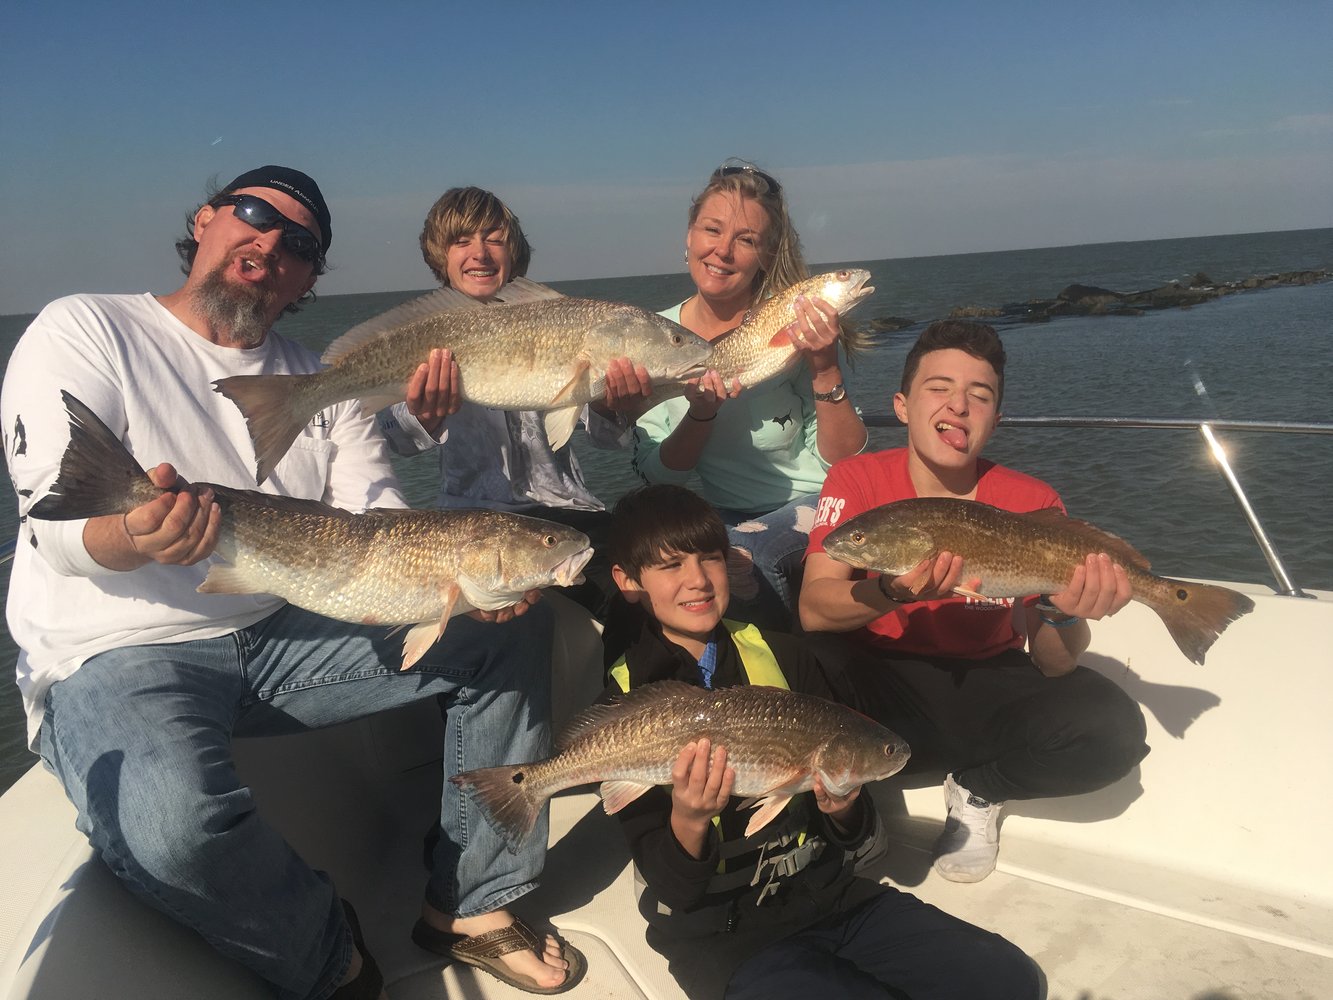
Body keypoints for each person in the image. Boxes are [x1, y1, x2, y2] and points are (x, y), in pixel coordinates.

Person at [1, 166, 584, 998]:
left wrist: (464, 580)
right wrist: (129, 536)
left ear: (310, 276)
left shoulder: (323, 381)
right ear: (204, 221)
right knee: (170, 827)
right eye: (252, 215)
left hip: (286, 628)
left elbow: (376, 517)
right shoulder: (87, 328)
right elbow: (52, 527)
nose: (271, 242)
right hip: (118, 648)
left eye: (301, 243)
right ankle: (328, 952)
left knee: (515, 629)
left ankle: (472, 902)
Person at [601, 484, 1041, 1000]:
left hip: (834, 899)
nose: (697, 579)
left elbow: (861, 840)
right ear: (628, 581)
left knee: (1012, 980)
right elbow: (673, 889)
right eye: (671, 565)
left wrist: (843, 810)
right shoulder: (624, 701)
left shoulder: (788, 655)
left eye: (711, 558)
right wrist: (690, 819)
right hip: (723, 935)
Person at [799, 320, 1150, 884]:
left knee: (1114, 730)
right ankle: (849, 804)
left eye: (979, 396)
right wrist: (889, 590)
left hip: (988, 681)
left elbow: (1054, 662)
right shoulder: (855, 477)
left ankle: (979, 787)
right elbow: (814, 608)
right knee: (800, 660)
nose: (958, 405)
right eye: (939, 388)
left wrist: (1065, 609)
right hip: (879, 685)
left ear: (996, 419)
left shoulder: (1033, 501)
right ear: (904, 404)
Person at [379, 186, 651, 617]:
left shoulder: (558, 319)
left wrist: (609, 405)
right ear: (441, 257)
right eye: (461, 241)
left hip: (567, 513)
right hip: (469, 524)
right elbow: (394, 436)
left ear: (514, 250)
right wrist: (422, 417)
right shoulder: (423, 332)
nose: (480, 253)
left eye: (494, 238)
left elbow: (602, 437)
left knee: (635, 597)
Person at [631, 160, 870, 630]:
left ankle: (785, 685)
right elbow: (658, 477)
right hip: (726, 513)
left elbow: (845, 465)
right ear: (688, 236)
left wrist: (824, 366)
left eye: (746, 240)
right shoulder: (649, 335)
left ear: (766, 255)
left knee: (741, 561)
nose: (723, 251)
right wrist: (700, 417)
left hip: (816, 501)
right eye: (712, 230)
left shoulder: (799, 326)